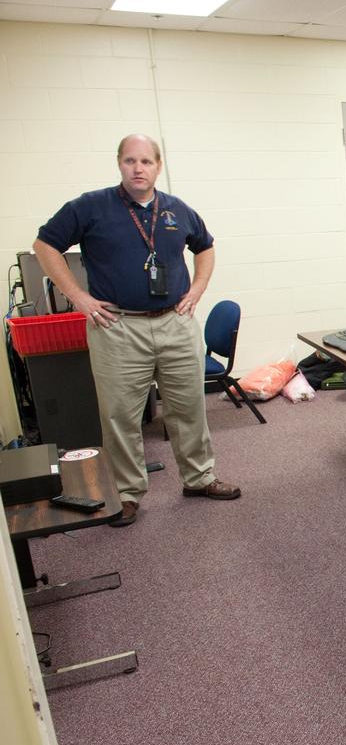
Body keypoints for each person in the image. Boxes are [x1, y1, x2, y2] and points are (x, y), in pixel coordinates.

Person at [33, 134, 241, 528]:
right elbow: (45, 245)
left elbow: (206, 247)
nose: (138, 168)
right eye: (130, 161)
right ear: (119, 164)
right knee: (120, 417)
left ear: (158, 166)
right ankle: (127, 494)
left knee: (189, 408)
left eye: (146, 161)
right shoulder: (90, 206)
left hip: (175, 323)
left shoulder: (177, 210)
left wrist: (197, 289)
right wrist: (78, 297)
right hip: (118, 327)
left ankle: (199, 478)